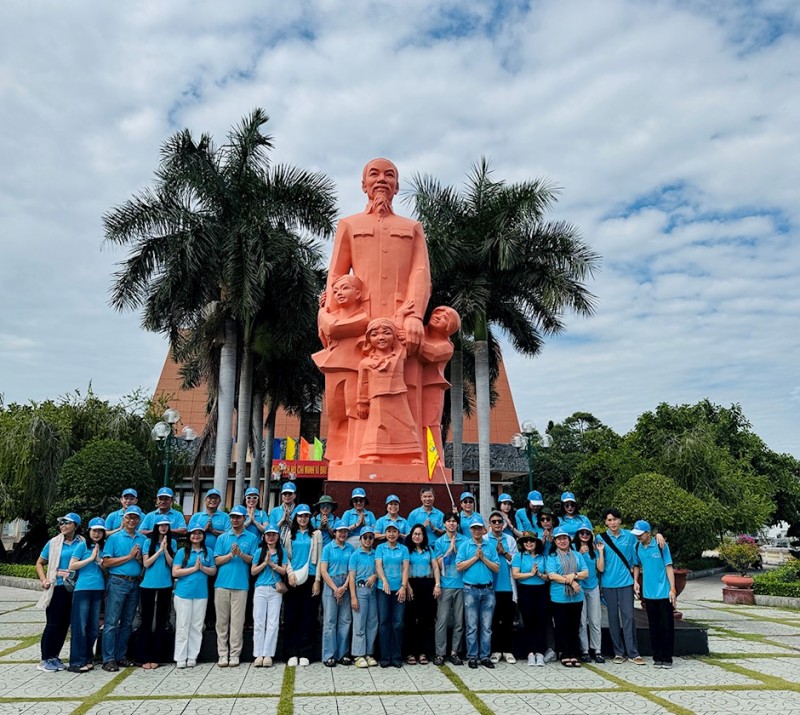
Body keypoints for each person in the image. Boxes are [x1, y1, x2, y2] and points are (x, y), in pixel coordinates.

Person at [325, 157, 433, 458]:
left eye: (389, 175)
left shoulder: (411, 228)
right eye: (374, 174)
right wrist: (332, 318)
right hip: (360, 324)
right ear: (364, 185)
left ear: (397, 187)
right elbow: (336, 275)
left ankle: (407, 455)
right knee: (352, 397)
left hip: (400, 325)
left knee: (404, 391)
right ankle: (353, 457)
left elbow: (420, 273)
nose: (382, 180)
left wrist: (414, 317)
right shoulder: (350, 225)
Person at [312, 274, 370, 465]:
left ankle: (354, 454)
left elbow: (333, 329)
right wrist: (324, 312)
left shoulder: (363, 317)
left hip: (352, 369)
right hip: (333, 367)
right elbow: (325, 337)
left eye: (345, 288)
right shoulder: (331, 315)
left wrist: (322, 312)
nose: (339, 294)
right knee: (336, 414)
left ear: (358, 293)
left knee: (353, 413)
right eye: (335, 291)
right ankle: (337, 456)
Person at [356, 318, 424, 463]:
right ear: (369, 339)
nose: (381, 337)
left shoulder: (400, 354)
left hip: (398, 396)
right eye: (375, 335)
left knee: (406, 424)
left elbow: (404, 336)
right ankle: (373, 453)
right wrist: (362, 402)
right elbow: (363, 383)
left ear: (394, 336)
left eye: (386, 333)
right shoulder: (365, 363)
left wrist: (404, 316)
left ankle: (413, 454)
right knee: (376, 426)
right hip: (377, 399)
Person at [36, 512, 84, 672]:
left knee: (64, 624)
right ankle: (45, 659)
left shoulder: (82, 542)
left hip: (74, 586)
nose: (63, 525)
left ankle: (54, 656)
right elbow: (40, 562)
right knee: (53, 623)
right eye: (61, 523)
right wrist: (44, 580)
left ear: (76, 526)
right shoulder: (54, 543)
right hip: (56, 587)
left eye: (67, 523)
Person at [101, 505, 146, 671]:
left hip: (135, 582)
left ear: (139, 520)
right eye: (129, 517)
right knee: (111, 622)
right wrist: (129, 557)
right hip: (118, 582)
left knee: (127, 622)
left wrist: (139, 558)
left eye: (135, 518)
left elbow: (144, 563)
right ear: (123, 519)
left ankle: (121, 656)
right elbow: (106, 562)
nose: (132, 520)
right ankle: (108, 658)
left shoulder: (142, 539)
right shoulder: (114, 538)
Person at [598, 508, 645, 665]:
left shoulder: (630, 537)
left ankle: (633, 652)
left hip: (626, 582)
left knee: (629, 617)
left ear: (620, 521)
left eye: (615, 519)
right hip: (608, 583)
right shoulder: (601, 538)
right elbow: (599, 565)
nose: (612, 523)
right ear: (605, 522)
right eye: (609, 520)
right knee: (612, 619)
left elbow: (635, 562)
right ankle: (618, 652)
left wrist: (636, 581)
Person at [213, 504, 258, 667]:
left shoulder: (252, 538)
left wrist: (241, 554)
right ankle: (222, 654)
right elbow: (216, 560)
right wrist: (231, 555)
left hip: (241, 585)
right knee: (221, 622)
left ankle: (235, 654)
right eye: (232, 517)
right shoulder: (223, 538)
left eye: (238, 517)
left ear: (244, 518)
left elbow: (254, 560)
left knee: (237, 623)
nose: (234, 520)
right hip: (222, 584)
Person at [456, 515, 500, 669]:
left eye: (479, 528)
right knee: (472, 625)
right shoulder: (465, 546)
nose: (476, 531)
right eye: (474, 528)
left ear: (484, 529)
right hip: (470, 589)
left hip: (487, 590)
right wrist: (475, 558)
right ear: (470, 530)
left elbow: (496, 567)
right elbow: (459, 566)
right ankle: (472, 656)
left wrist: (483, 558)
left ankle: (485, 656)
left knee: (487, 626)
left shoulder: (489, 546)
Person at [632, 520, 677, 669]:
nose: (638, 537)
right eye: (636, 534)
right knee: (654, 626)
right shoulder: (637, 546)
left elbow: (668, 566)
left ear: (648, 533)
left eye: (640, 534)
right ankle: (657, 656)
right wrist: (636, 581)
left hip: (664, 592)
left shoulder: (660, 545)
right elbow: (636, 565)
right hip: (649, 593)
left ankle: (667, 657)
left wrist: (673, 589)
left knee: (666, 626)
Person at [172, 525, 216, 668]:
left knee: (196, 626)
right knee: (183, 625)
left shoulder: (208, 551)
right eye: (193, 533)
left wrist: (202, 568)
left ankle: (192, 656)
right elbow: (175, 572)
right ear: (189, 536)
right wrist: (194, 569)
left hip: (201, 593)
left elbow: (213, 571)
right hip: (183, 593)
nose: (196, 536)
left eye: (199, 533)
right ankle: (180, 656)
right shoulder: (182, 552)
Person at [419, 305, 460, 457]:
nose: (437, 316)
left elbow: (431, 353)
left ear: (450, 327)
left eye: (444, 317)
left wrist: (411, 338)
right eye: (437, 313)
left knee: (430, 423)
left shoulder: (447, 346)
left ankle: (435, 462)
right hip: (411, 385)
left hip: (432, 387)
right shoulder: (420, 330)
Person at [283, 505, 321, 666]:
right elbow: (285, 556)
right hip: (293, 579)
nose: (303, 519)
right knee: (291, 616)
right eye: (300, 516)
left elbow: (319, 558)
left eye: (306, 516)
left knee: (308, 616)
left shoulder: (316, 534)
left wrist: (318, 580)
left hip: (311, 578)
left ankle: (306, 652)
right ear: (295, 518)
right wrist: (289, 573)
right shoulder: (289, 533)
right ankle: (292, 652)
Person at [546, 526, 589, 667]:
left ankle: (574, 653)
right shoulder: (552, 557)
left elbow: (585, 572)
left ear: (569, 539)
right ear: (555, 541)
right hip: (559, 597)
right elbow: (552, 575)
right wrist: (571, 582)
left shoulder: (577, 555)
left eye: (564, 538)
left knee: (574, 626)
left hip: (576, 597)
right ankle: (564, 653)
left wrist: (573, 575)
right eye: (559, 539)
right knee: (561, 626)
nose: (562, 541)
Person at [68, 517, 107, 672]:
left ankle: (87, 657)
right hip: (83, 589)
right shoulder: (82, 546)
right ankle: (76, 661)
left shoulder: (104, 547)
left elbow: (106, 570)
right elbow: (72, 565)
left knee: (92, 627)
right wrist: (90, 558)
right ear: (89, 531)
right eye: (94, 530)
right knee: (80, 626)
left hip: (98, 589)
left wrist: (98, 561)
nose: (96, 534)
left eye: (100, 531)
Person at [138, 516, 176, 669]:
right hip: (148, 585)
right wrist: (159, 549)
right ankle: (143, 656)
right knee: (146, 621)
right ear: (156, 527)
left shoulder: (172, 542)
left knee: (161, 621)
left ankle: (157, 656)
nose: (163, 528)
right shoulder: (148, 542)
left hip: (165, 585)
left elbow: (172, 564)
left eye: (166, 525)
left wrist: (166, 550)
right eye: (161, 525)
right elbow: (146, 563)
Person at [403, 524, 441, 665]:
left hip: (427, 585)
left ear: (424, 536)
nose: (417, 536)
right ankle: (410, 653)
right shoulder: (407, 550)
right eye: (414, 533)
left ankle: (423, 652)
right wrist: (407, 586)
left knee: (426, 620)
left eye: (419, 534)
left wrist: (437, 584)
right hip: (412, 585)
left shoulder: (428, 550)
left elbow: (436, 567)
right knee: (411, 620)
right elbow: (404, 569)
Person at [434, 512, 468, 666]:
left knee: (459, 621)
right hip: (446, 585)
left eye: (454, 521)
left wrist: (457, 552)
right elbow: (440, 564)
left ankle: (455, 652)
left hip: (461, 585)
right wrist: (450, 549)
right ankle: (440, 653)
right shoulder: (440, 542)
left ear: (458, 524)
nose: (452, 524)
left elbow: (467, 562)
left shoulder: (466, 541)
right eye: (449, 521)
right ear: (444, 524)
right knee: (442, 620)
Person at [251, 526, 287, 667]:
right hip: (260, 588)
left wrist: (272, 564)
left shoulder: (281, 551)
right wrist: (264, 563)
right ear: (264, 537)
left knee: (273, 622)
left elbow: (284, 571)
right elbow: (253, 571)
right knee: (259, 621)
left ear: (278, 537)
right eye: (268, 535)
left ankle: (268, 654)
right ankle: (258, 654)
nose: (271, 537)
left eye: (273, 535)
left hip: (275, 590)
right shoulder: (259, 551)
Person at [511, 531, 549, 667]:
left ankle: (540, 652)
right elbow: (515, 575)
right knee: (528, 621)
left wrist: (538, 574)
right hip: (525, 590)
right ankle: (530, 653)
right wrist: (530, 573)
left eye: (531, 541)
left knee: (540, 621)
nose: (528, 543)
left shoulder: (543, 557)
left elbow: (548, 576)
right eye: (526, 541)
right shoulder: (519, 556)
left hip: (541, 590)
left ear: (536, 543)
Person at [319, 524, 354, 666]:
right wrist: (335, 589)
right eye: (340, 531)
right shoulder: (328, 548)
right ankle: (329, 655)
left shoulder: (350, 548)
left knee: (345, 620)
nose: (343, 534)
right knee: (330, 621)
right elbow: (323, 571)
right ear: (334, 532)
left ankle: (343, 654)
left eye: (345, 531)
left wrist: (344, 587)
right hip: (330, 584)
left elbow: (352, 570)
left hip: (346, 583)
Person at [375, 523, 410, 667]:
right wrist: (384, 581)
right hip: (383, 589)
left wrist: (403, 586)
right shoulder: (380, 548)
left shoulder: (404, 549)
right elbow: (378, 566)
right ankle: (384, 656)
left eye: (394, 531)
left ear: (398, 533)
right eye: (388, 531)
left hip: (399, 590)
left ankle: (396, 656)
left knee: (398, 623)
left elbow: (406, 568)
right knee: (384, 622)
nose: (391, 534)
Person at [485, 510, 517, 664]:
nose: (497, 524)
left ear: (504, 524)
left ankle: (508, 650)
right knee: (494, 620)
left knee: (508, 620)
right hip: (491, 586)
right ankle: (496, 650)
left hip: (507, 586)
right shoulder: (484, 539)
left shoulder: (510, 540)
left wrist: (504, 552)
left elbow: (515, 561)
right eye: (494, 522)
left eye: (499, 521)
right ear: (489, 524)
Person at [574, 524, 605, 664]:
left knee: (595, 619)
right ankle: (585, 650)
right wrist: (580, 553)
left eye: (587, 533)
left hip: (593, 587)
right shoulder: (573, 549)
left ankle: (597, 650)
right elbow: (570, 567)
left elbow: (600, 568)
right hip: (580, 587)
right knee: (582, 620)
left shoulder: (594, 550)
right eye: (582, 533)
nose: (585, 535)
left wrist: (601, 552)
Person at [348, 527, 379, 668]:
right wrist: (353, 597)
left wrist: (375, 575)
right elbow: (352, 577)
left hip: (373, 592)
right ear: (360, 539)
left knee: (373, 622)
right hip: (360, 591)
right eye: (365, 537)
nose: (367, 540)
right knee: (359, 622)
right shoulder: (355, 555)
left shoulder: (375, 554)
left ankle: (369, 653)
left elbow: (381, 569)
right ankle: (358, 654)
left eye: (370, 537)